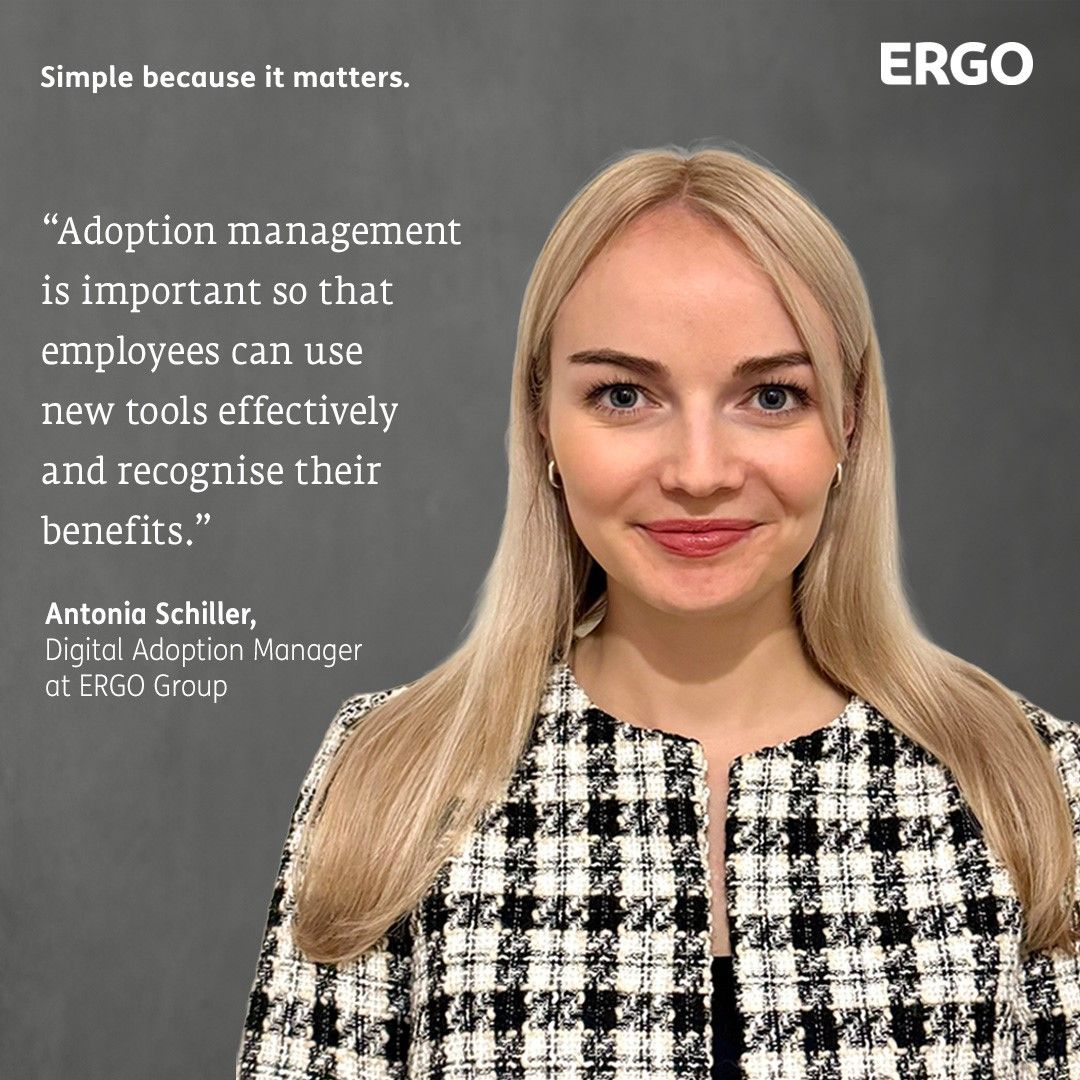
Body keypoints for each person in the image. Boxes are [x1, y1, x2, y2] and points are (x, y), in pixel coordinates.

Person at [235, 145, 1080, 1079]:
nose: (699, 472)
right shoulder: (392, 777)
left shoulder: (1038, 788)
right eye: (625, 395)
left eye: (771, 396)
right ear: (543, 421)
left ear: (849, 420)